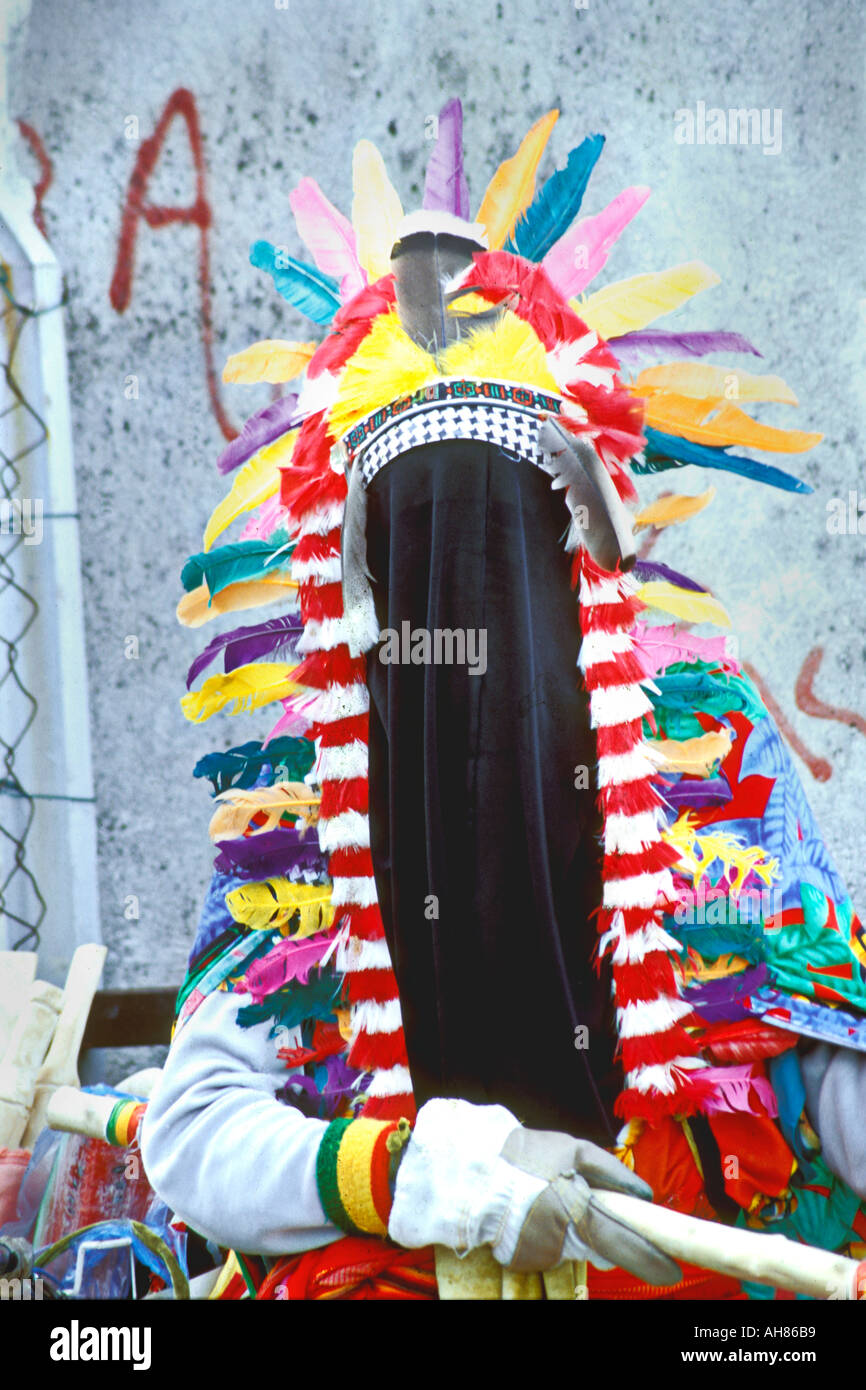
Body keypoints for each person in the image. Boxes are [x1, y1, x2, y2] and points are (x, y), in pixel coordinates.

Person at [142, 102, 866, 1300]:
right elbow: (195, 1132)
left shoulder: (700, 751)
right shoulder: (300, 818)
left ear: (581, 576)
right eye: (421, 556)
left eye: (511, 550)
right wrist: (431, 1175)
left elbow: (828, 1063)